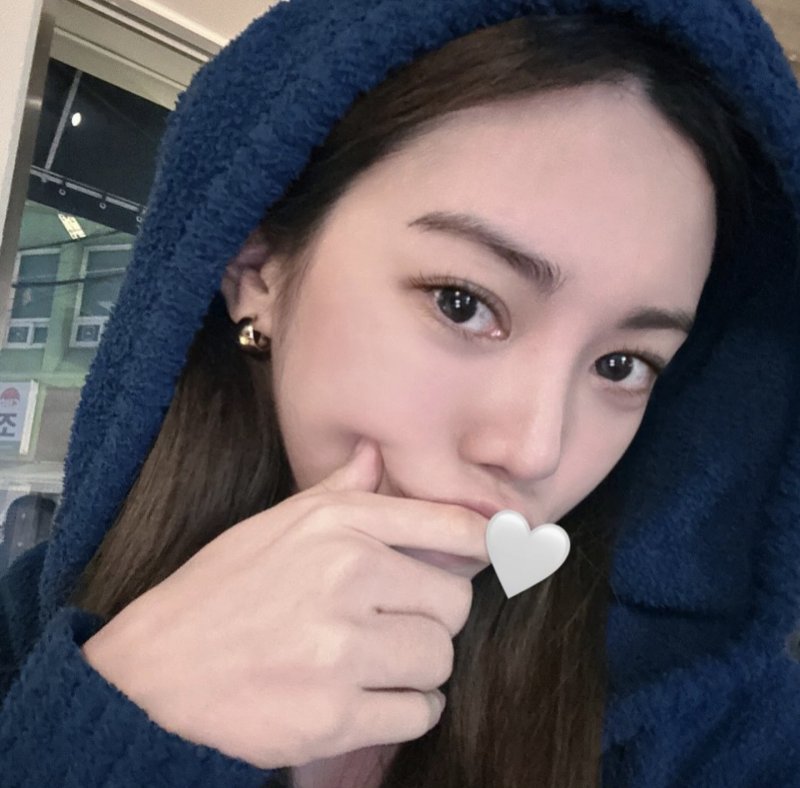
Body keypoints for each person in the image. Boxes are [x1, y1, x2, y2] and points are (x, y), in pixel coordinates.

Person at [1, 1, 799, 786]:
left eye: (622, 365)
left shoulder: (716, 734)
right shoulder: (21, 639)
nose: (534, 451)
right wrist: (118, 727)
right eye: (463, 303)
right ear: (258, 270)